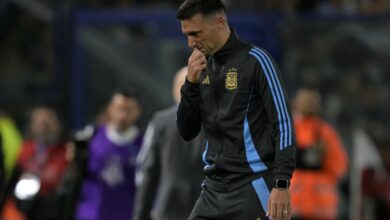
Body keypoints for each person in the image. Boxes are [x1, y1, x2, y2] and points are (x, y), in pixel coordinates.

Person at [175, 1, 296, 220]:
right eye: (186, 35)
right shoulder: (200, 67)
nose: (191, 42)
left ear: (219, 22)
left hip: (252, 184)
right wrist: (190, 85)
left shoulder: (257, 61)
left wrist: (281, 183)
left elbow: (284, 124)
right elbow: (187, 131)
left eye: (196, 33)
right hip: (212, 188)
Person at [133, 67, 204, 220]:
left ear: (174, 89)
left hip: (168, 206)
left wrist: (141, 214)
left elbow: (148, 171)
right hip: (206, 205)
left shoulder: (160, 121)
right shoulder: (216, 120)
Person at [75, 90, 143, 220]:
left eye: (129, 110)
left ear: (138, 111)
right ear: (110, 108)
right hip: (91, 214)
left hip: (127, 214)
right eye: (119, 109)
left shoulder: (144, 144)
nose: (123, 115)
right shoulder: (91, 136)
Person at [1, 106, 69, 220]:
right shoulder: (25, 150)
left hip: (57, 207)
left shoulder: (66, 151)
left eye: (47, 122)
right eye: (40, 123)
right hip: (28, 208)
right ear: (32, 126)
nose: (44, 127)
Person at [290, 88, 348, 220]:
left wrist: (327, 154)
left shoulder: (327, 133)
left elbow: (340, 169)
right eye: (305, 100)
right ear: (295, 103)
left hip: (321, 207)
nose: (309, 104)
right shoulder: (287, 130)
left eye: (312, 101)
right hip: (293, 205)